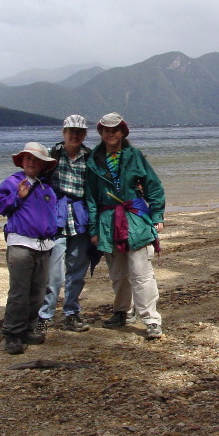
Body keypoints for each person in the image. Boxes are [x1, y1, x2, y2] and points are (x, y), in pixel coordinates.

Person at [84, 112, 165, 340]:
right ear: (100, 132)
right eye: (106, 130)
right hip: (108, 222)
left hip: (135, 219)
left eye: (115, 130)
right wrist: (93, 230)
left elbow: (153, 185)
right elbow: (91, 198)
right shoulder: (93, 161)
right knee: (118, 274)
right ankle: (122, 312)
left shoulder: (134, 156)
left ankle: (150, 320)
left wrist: (157, 214)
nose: (110, 134)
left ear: (122, 132)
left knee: (141, 273)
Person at [0, 142, 58, 355]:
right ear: (22, 161)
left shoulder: (47, 187)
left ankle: (29, 329)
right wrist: (17, 197)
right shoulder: (14, 181)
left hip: (44, 246)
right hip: (20, 244)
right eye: (28, 158)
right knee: (19, 292)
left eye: (36, 159)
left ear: (43, 165)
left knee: (38, 291)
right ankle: (12, 334)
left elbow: (53, 212)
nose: (31, 162)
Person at [37, 114, 99, 334]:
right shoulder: (51, 157)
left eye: (80, 132)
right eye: (71, 131)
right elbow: (36, 182)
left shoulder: (91, 158)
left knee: (77, 270)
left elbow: (97, 190)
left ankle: (71, 313)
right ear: (63, 133)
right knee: (53, 273)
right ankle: (44, 316)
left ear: (85, 134)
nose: (75, 135)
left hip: (81, 219)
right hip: (56, 219)